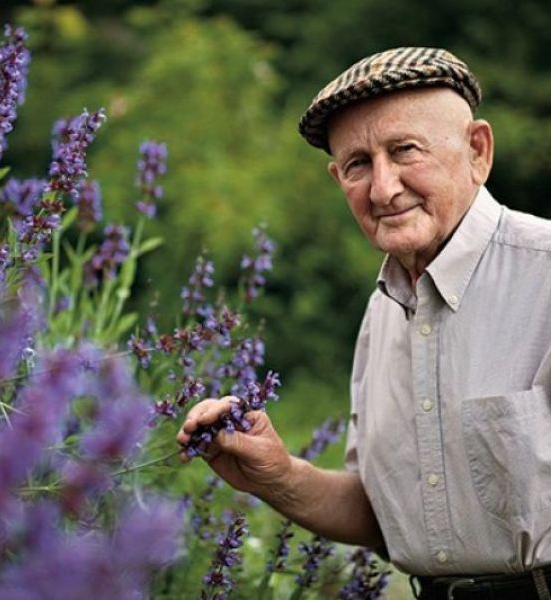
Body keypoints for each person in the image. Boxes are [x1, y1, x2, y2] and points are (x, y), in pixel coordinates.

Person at [177, 47, 551, 600]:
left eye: (405, 151)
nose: (382, 188)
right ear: (338, 178)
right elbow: (386, 515)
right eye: (357, 164)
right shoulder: (385, 309)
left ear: (477, 150)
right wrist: (278, 475)